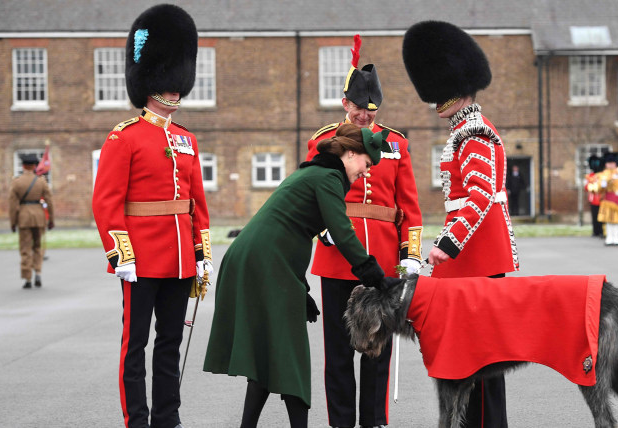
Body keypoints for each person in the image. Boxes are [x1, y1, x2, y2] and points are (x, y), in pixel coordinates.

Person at [203, 124, 388, 428]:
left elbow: (287, 230)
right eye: (367, 164)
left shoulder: (316, 173)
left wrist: (301, 291)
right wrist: (373, 275)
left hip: (257, 259)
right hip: (265, 262)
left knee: (268, 350)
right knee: (292, 355)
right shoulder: (329, 177)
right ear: (351, 153)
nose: (367, 173)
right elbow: (341, 231)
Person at [91, 5, 211, 428]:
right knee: (135, 344)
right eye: (168, 83)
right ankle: (136, 419)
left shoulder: (186, 140)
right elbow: (106, 203)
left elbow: (196, 203)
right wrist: (119, 253)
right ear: (150, 83)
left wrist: (201, 253)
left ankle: (167, 416)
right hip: (140, 258)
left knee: (170, 343)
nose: (175, 91)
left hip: (179, 259)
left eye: (179, 83)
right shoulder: (123, 138)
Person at [403, 20, 519, 428]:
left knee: (483, 354)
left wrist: (447, 245)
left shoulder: (474, 134)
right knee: (469, 353)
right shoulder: (462, 132)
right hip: (468, 256)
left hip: (477, 256)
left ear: (460, 89)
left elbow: (480, 197)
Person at [305, 34, 423, 428]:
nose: (365, 116)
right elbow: (311, 193)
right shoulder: (324, 141)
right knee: (338, 353)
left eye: (371, 110)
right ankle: (341, 423)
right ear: (345, 104)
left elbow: (409, 206)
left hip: (384, 259)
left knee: (378, 352)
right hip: (339, 258)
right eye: (358, 108)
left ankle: (373, 422)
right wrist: (323, 228)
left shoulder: (397, 144)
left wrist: (411, 252)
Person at [9, 153, 54, 289]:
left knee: (25, 249)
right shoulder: (41, 181)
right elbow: (49, 201)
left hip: (23, 217)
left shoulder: (17, 182)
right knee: (38, 247)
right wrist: (51, 219)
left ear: (23, 166)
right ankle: (38, 272)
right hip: (39, 217)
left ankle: (27, 278)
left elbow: (12, 204)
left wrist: (13, 222)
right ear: (34, 166)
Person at [597, 153, 618, 246]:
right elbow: (600, 189)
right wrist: (606, 181)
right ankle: (609, 237)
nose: (611, 165)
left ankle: (616, 238)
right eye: (609, 163)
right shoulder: (603, 174)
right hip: (607, 199)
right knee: (608, 220)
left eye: (612, 163)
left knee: (617, 220)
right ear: (606, 164)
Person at [584, 155, 604, 238]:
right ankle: (596, 231)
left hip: (601, 198)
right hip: (593, 199)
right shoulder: (590, 176)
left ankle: (602, 231)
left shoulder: (602, 175)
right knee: (594, 216)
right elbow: (586, 187)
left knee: (601, 216)